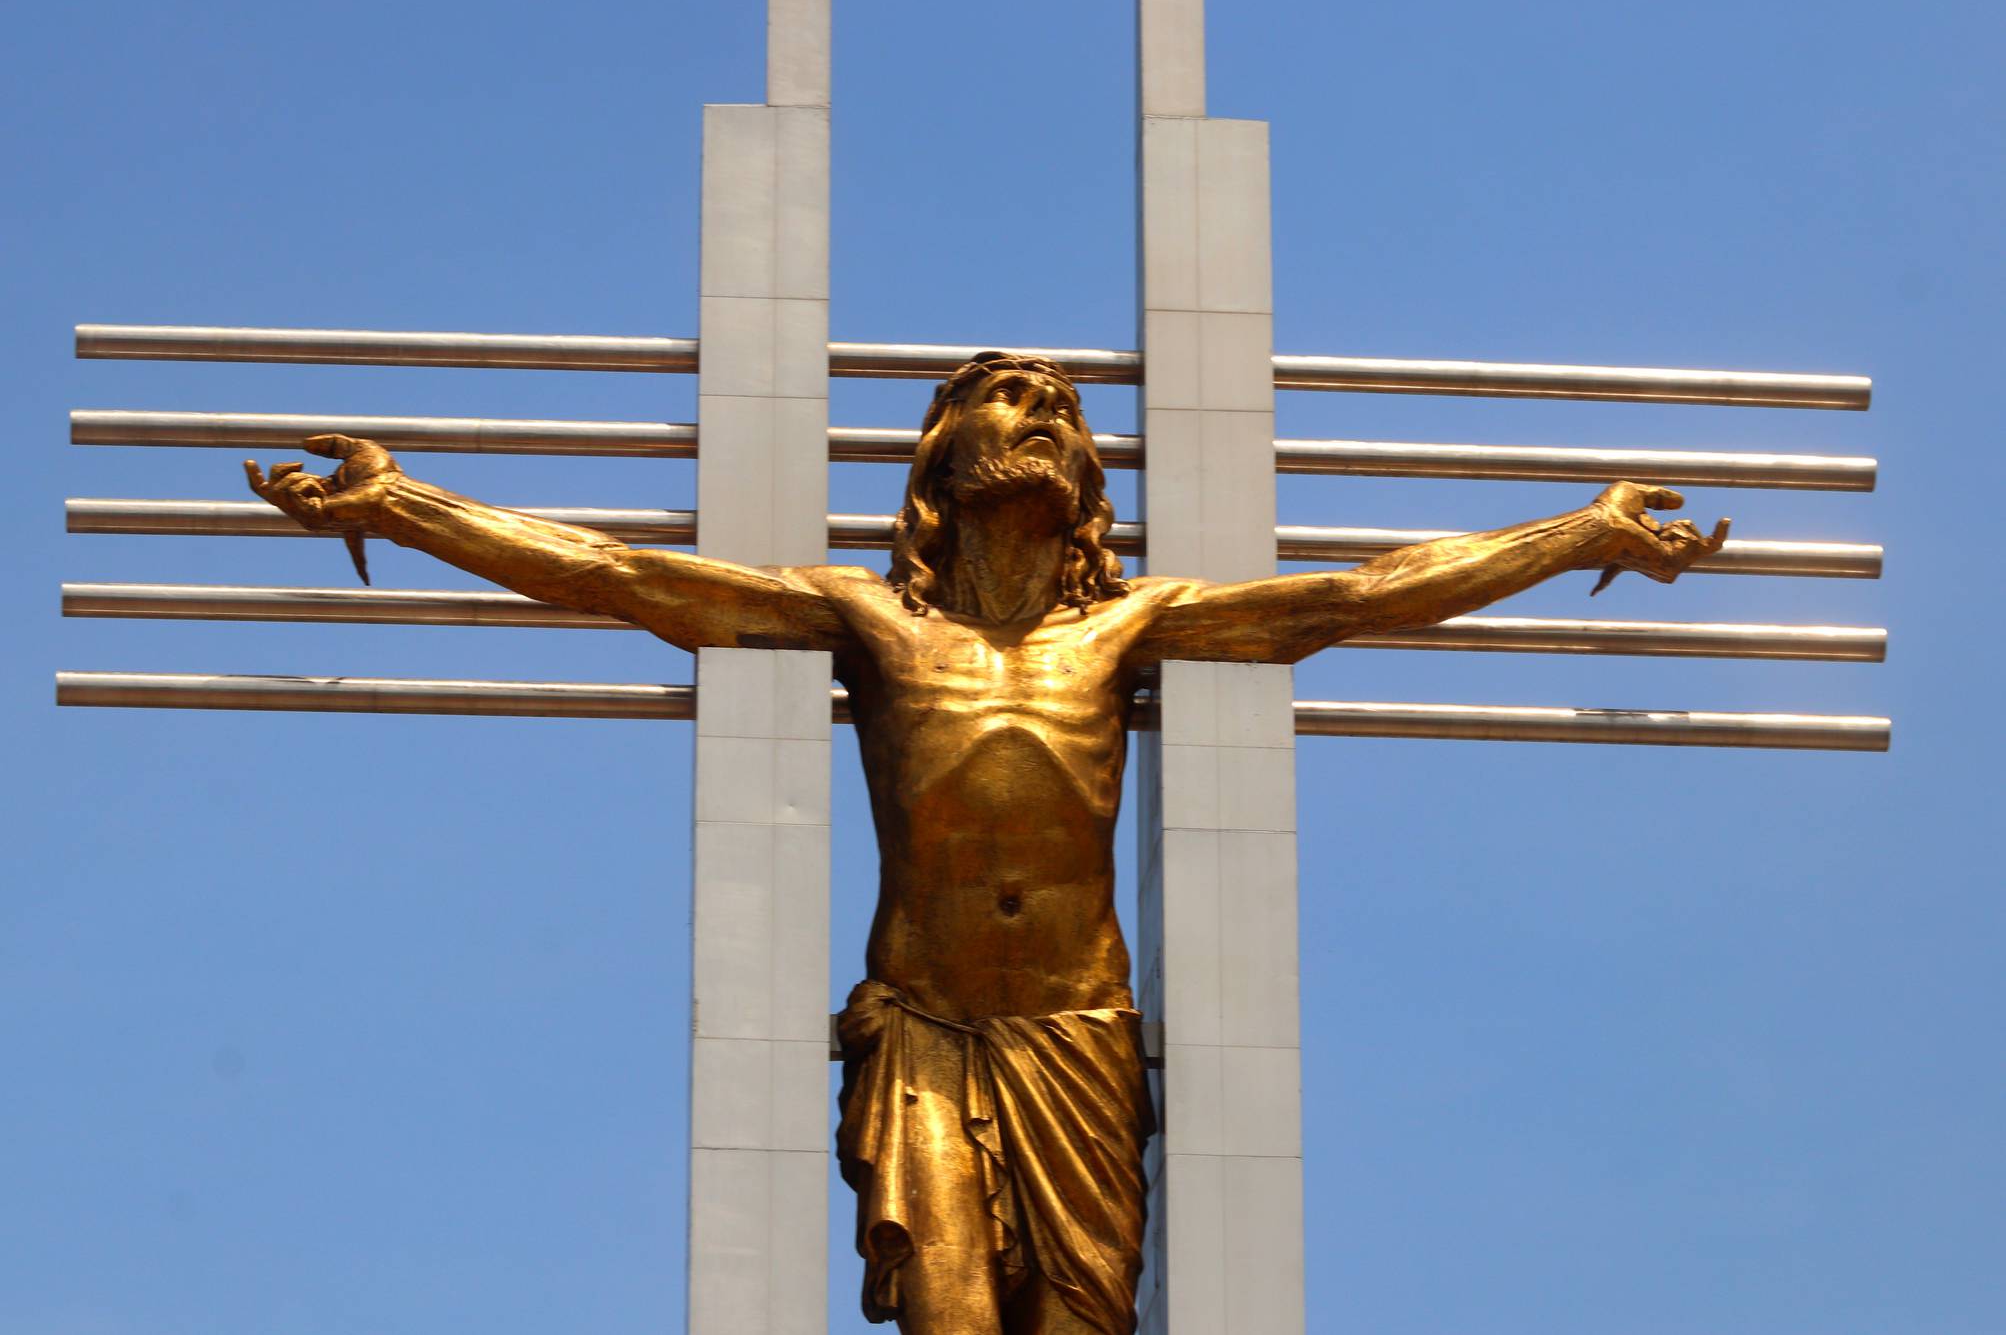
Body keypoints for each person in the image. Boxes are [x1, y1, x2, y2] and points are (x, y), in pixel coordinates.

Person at [246, 351, 1726, 1335]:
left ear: (1089, 482)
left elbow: (1362, 593)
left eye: (1061, 410)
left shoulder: (1139, 624)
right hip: (927, 1027)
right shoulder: (862, 614)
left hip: (1075, 1031)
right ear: (933, 462)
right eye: (1000, 398)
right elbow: (623, 577)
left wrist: (1576, 533)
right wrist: (407, 503)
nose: (1036, 414)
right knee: (948, 1320)